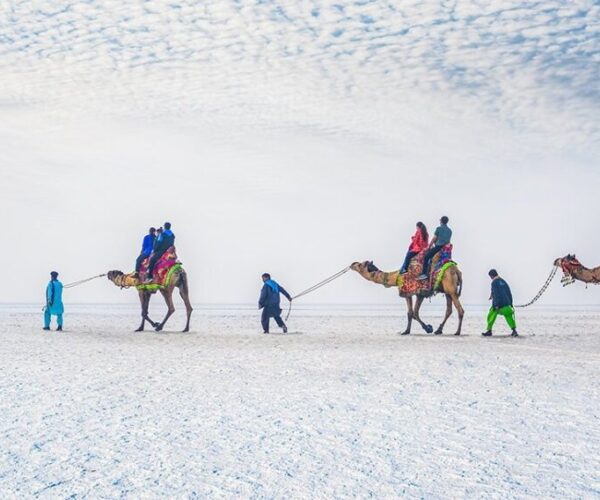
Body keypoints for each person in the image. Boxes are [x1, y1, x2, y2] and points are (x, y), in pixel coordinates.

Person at [482, 269, 518, 337]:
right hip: (507, 305)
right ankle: (514, 331)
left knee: (491, 314)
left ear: (491, 276)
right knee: (509, 316)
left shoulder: (494, 282)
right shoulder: (503, 281)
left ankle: (489, 331)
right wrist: (510, 304)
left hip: (499, 305)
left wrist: (496, 305)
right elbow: (509, 293)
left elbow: (496, 294)